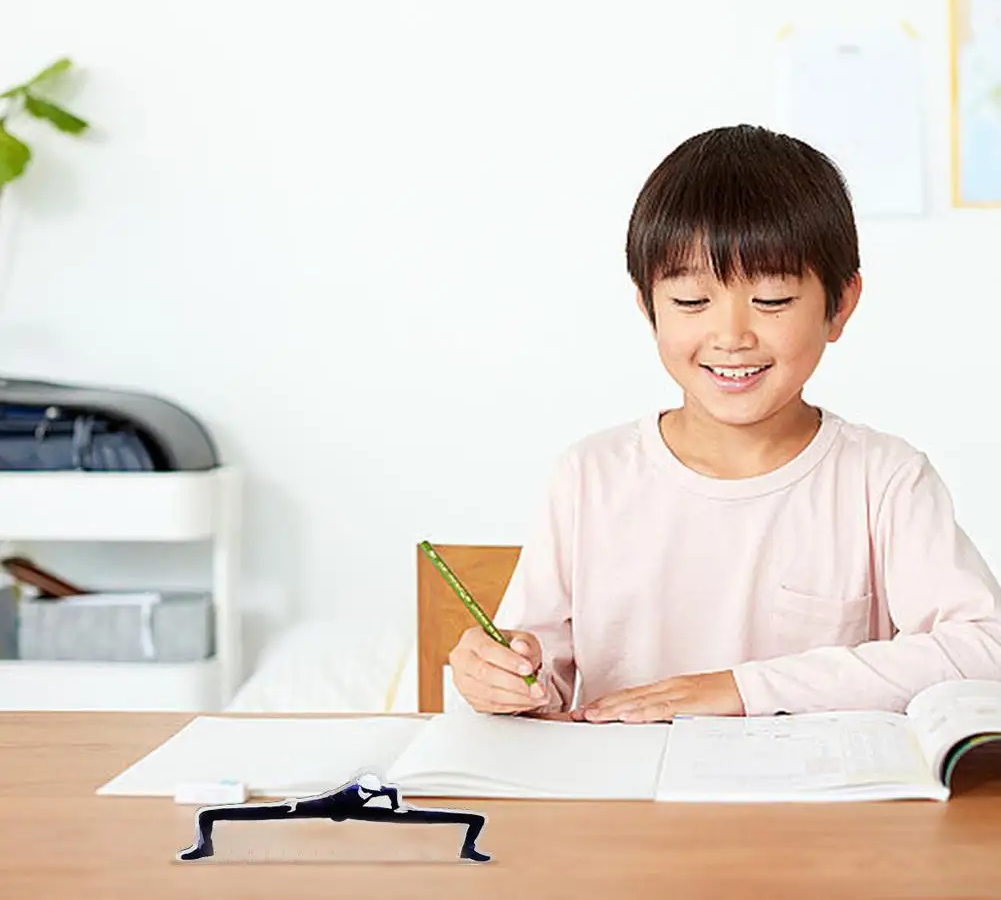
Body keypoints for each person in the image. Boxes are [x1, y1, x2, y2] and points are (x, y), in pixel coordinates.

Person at [449, 123, 1001, 723]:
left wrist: (743, 690)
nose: (732, 337)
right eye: (691, 302)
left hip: (818, 806)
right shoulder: (590, 476)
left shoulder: (884, 479)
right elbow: (537, 677)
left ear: (839, 306)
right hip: (627, 805)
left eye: (772, 301)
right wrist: (501, 676)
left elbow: (984, 651)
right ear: (648, 308)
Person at [177, 772, 489, 862]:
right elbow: (384, 791)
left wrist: (393, 804)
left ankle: (468, 848)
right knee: (209, 812)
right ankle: (205, 845)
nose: (377, 789)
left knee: (473, 818)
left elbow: (391, 792)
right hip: (316, 807)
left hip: (356, 813)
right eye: (373, 788)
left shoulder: (372, 792)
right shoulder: (354, 790)